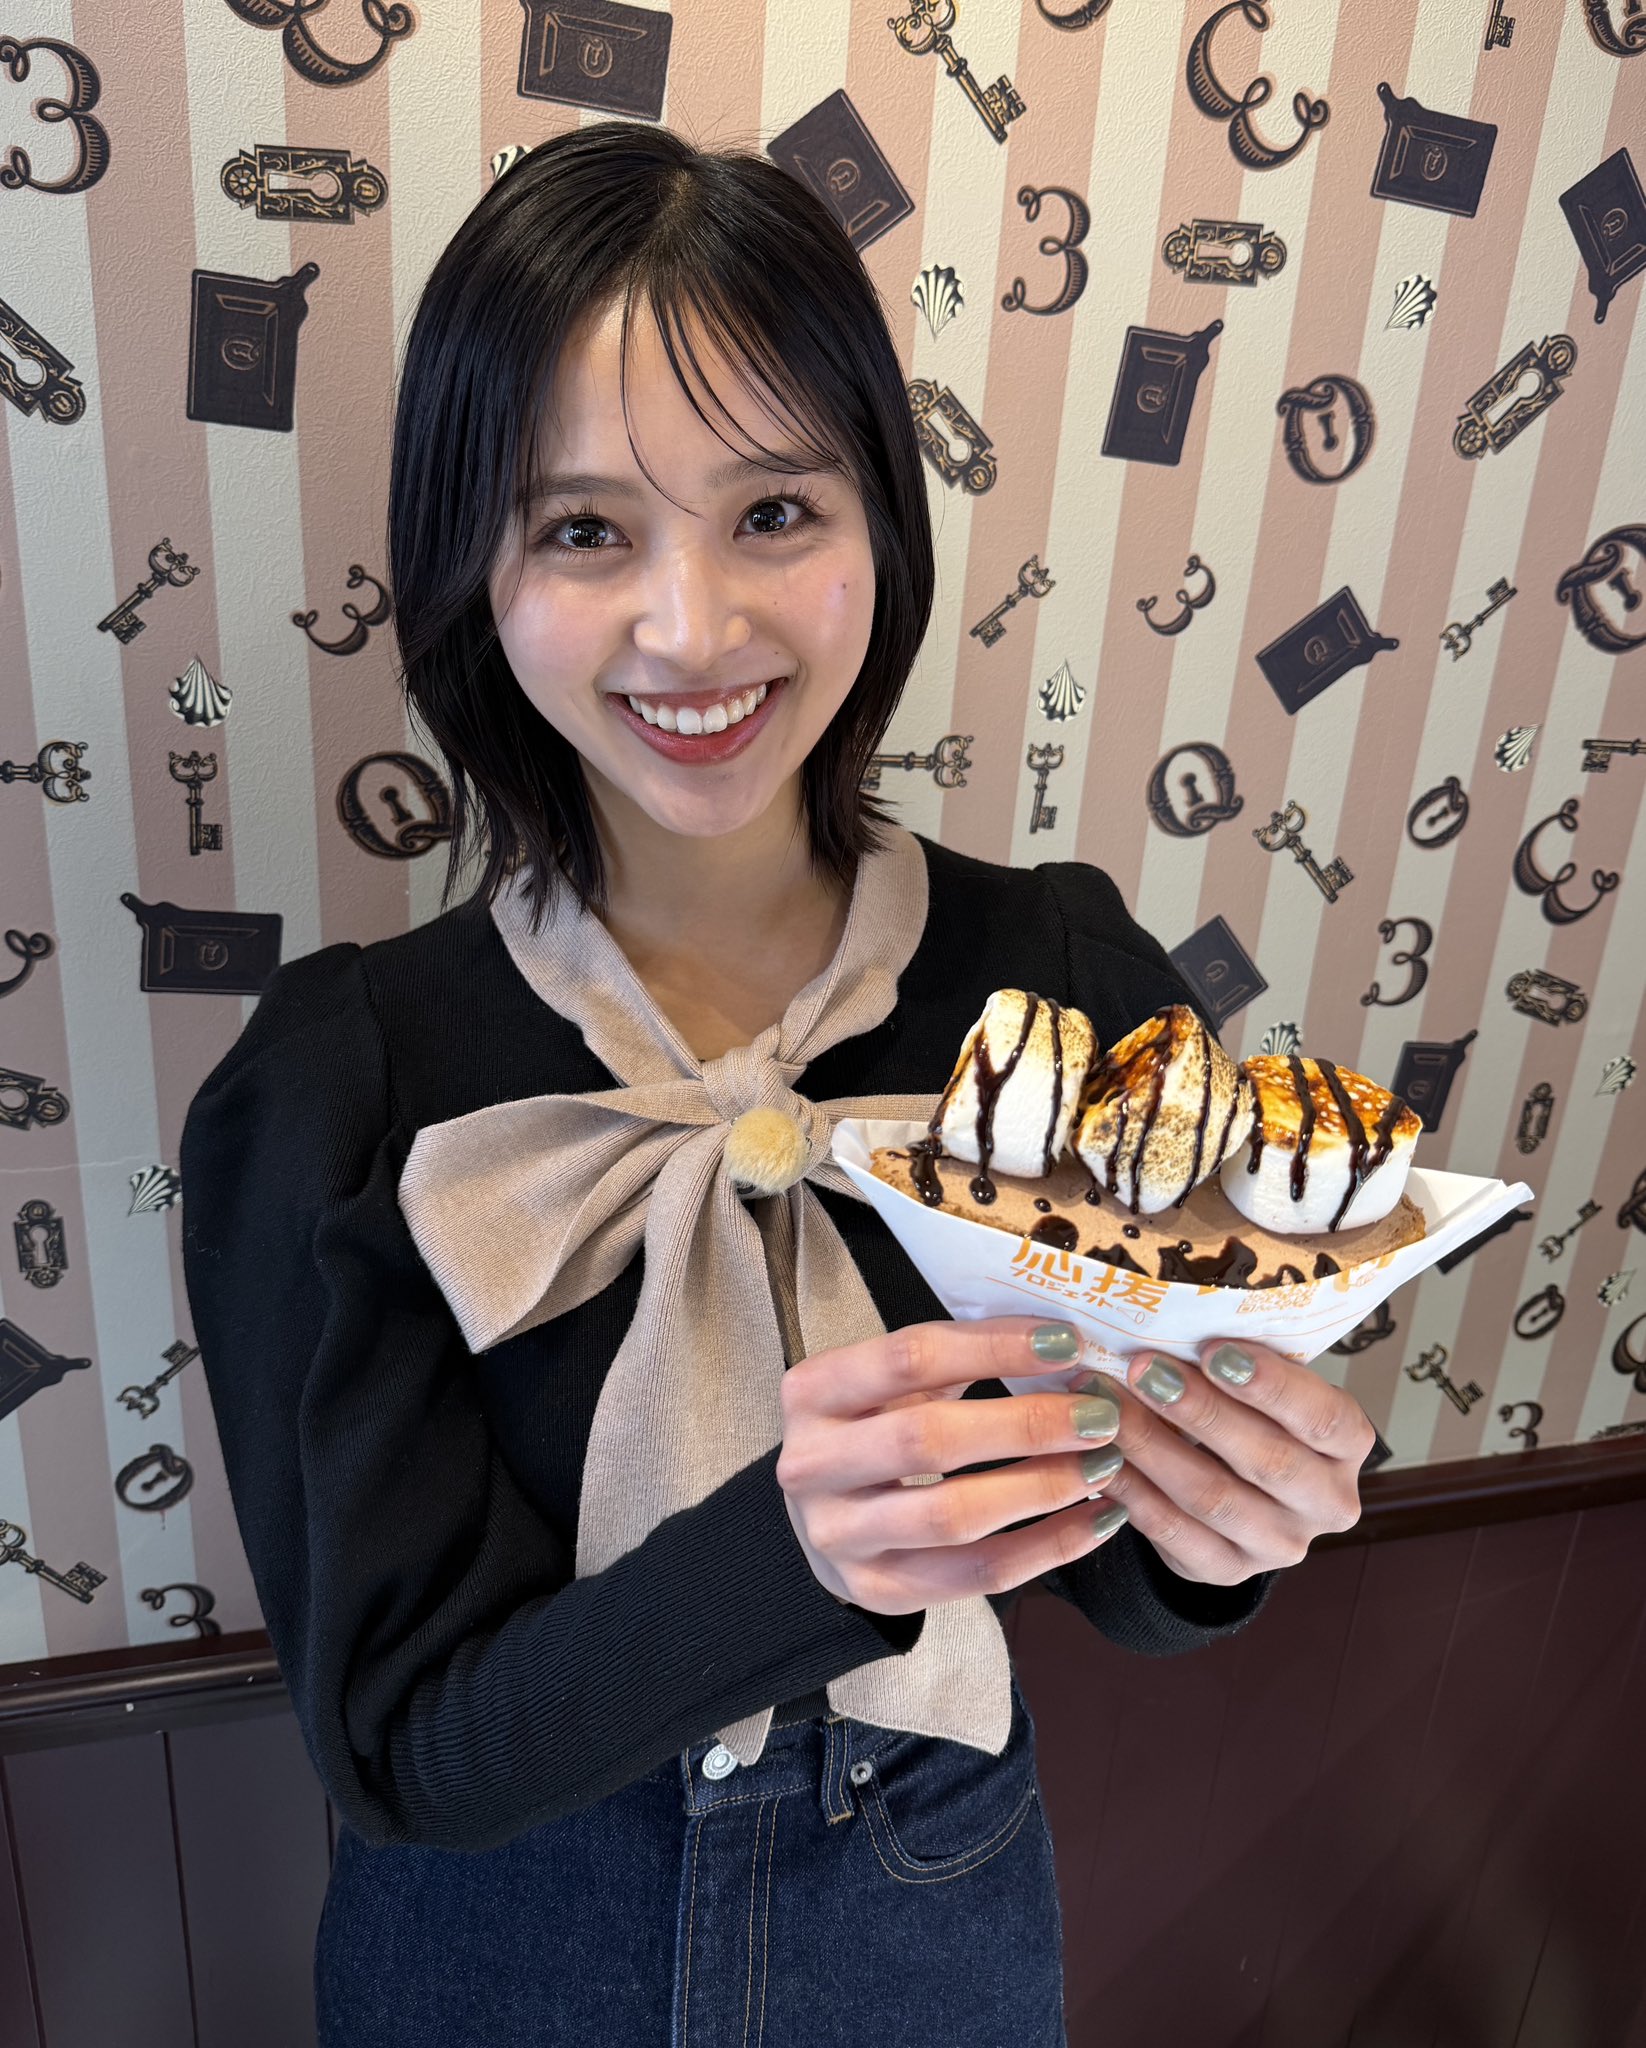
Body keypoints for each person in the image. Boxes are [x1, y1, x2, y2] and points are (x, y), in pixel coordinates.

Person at [179, 120, 1375, 2048]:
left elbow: (1131, 1586)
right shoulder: (338, 1090)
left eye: (773, 512)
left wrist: (1221, 1519)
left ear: (878, 523)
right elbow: (406, 1752)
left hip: (931, 1905)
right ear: (473, 566)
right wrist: (794, 1554)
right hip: (498, 1947)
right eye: (583, 531)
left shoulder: (1061, 984)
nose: (693, 628)